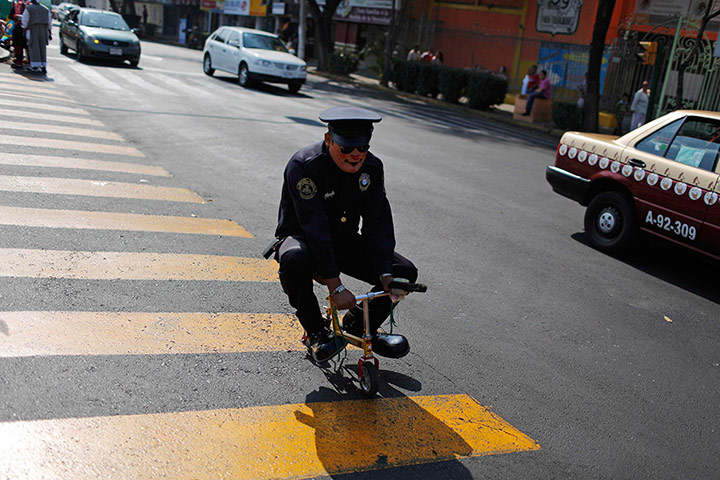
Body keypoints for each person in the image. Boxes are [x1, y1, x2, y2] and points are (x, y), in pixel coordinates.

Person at [271, 107, 418, 363]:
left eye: (362, 148)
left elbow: (378, 221)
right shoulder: (304, 166)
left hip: (343, 242)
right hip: (304, 242)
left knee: (403, 271)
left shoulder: (371, 168)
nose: (356, 155)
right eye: (347, 148)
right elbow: (313, 227)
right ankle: (318, 333)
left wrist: (385, 273)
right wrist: (335, 286)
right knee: (294, 259)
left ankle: (360, 325)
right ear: (328, 140)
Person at [21, 0, 50, 75]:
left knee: (34, 46)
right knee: (42, 47)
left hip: (33, 29)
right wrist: (49, 31)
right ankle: (43, 65)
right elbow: (49, 22)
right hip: (44, 30)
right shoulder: (46, 9)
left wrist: (24, 28)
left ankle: (35, 66)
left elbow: (25, 20)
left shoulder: (29, 9)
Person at [8, 0, 26, 70]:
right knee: (18, 45)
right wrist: (15, 16)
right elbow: (10, 15)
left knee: (28, 46)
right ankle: (18, 61)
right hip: (18, 28)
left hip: (27, 29)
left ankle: (29, 60)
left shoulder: (29, 6)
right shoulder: (16, 6)